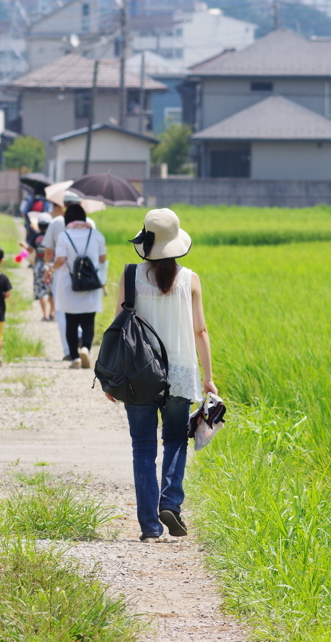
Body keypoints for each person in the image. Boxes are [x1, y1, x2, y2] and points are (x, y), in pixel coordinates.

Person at [108, 208, 216, 541]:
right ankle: (170, 502)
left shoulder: (130, 276)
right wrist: (208, 377)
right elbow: (200, 331)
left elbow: (116, 329)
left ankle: (150, 527)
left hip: (138, 374)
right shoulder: (190, 278)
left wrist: (111, 375)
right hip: (181, 374)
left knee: (142, 448)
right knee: (174, 441)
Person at [43, 192, 96, 359]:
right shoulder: (91, 222)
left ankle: (69, 351)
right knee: (86, 310)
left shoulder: (56, 222)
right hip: (88, 275)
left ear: (65, 206)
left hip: (63, 274)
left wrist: (48, 269)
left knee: (64, 312)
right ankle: (83, 343)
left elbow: (48, 250)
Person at [52, 203, 106, 369]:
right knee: (89, 319)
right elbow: (103, 258)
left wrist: (50, 268)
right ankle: (86, 348)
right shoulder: (96, 235)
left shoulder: (64, 236)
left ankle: (75, 357)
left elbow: (61, 260)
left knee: (71, 321)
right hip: (91, 283)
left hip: (69, 284)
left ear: (67, 218)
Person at [29, 214, 53, 321]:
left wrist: (19, 256)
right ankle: (53, 313)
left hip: (39, 264)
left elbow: (29, 250)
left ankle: (45, 315)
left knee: (41, 289)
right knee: (52, 289)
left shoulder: (36, 236)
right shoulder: (53, 236)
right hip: (51, 264)